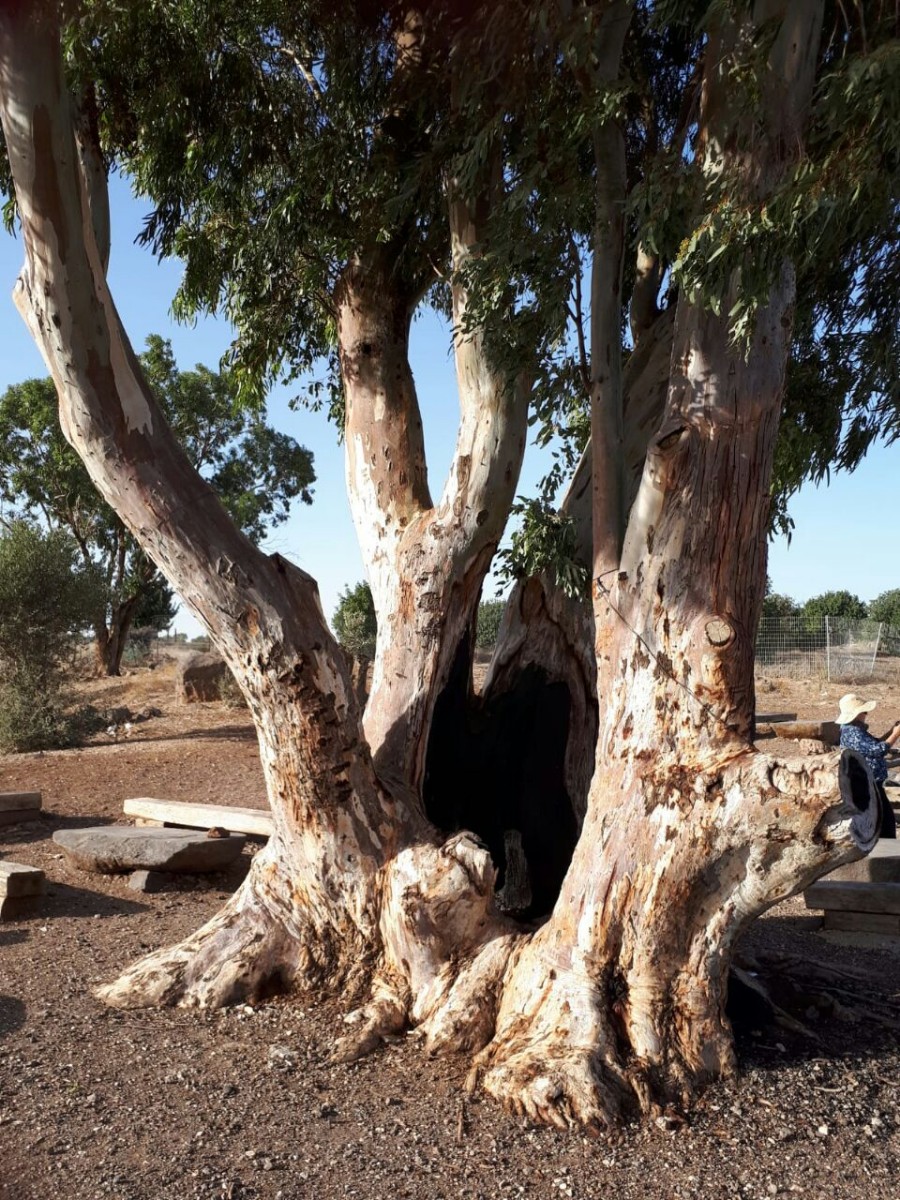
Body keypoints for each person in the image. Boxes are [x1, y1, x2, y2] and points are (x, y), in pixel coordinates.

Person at [836, 693, 899, 839]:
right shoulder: (853, 732)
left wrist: (891, 731)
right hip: (868, 784)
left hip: (870, 782)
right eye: (864, 711)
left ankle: (883, 854)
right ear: (856, 714)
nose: (866, 714)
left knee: (883, 821)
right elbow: (878, 750)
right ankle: (885, 857)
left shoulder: (854, 730)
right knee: (884, 824)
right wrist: (896, 734)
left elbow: (875, 744)